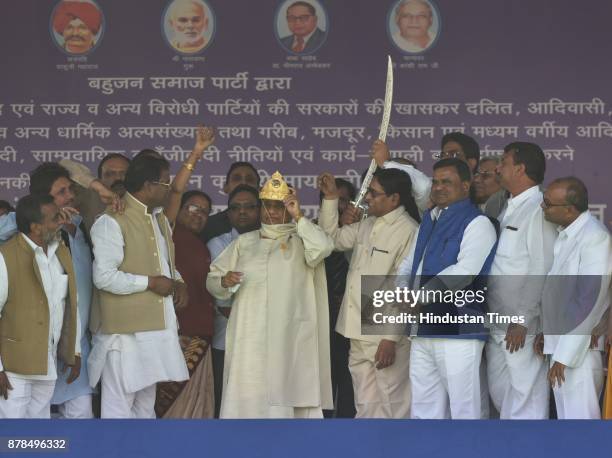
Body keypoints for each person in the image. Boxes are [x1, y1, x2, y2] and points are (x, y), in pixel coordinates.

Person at [206, 171, 333, 418]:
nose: (272, 212)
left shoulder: (302, 240)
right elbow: (212, 280)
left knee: (285, 397)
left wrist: (298, 217)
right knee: (248, 394)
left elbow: (325, 247)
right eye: (268, 206)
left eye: (279, 206)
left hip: (288, 335)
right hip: (249, 336)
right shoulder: (244, 242)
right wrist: (224, 280)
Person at [88, 155, 189, 418]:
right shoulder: (111, 220)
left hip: (155, 331)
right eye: (165, 183)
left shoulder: (158, 219)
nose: (169, 189)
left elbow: (165, 264)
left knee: (145, 409)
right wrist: (151, 283)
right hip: (125, 336)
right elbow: (104, 277)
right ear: (148, 185)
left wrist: (179, 283)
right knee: (118, 410)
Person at [397, 159, 497, 419]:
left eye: (447, 182)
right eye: (436, 182)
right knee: (424, 410)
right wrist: (401, 292)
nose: (439, 187)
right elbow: (409, 264)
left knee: (464, 411)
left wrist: (419, 296)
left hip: (458, 330)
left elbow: (464, 273)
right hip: (422, 328)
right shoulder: (429, 220)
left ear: (466, 185)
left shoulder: (478, 223)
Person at [318, 169, 420, 418]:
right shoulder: (368, 223)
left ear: (394, 199)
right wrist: (331, 198)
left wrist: (390, 339)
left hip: (383, 334)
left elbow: (404, 290)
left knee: (393, 405)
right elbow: (331, 240)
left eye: (373, 193)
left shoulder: (409, 230)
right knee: (365, 406)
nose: (367, 198)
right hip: (355, 328)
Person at [486, 142, 557, 419]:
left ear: (520, 168)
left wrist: (523, 318)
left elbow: (542, 267)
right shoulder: (506, 207)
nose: (497, 167)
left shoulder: (539, 210)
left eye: (503, 162)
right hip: (495, 320)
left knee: (526, 397)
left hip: (520, 326)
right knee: (501, 393)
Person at [537, 177, 611, 419]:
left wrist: (564, 356)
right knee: (568, 427)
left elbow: (588, 302)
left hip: (578, 352)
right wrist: (547, 333)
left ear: (569, 210)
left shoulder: (594, 237)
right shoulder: (568, 233)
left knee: (581, 424)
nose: (542, 207)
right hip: (562, 348)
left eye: (547, 203)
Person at [0, 194, 80, 418]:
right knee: (12, 440)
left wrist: (74, 351)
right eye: (55, 218)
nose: (61, 221)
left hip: (48, 362)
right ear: (36, 227)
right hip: (13, 369)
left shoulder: (60, 252)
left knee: (38, 435)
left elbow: (71, 303)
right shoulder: (5, 257)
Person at [26, 163, 95, 419]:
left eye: (70, 189)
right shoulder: (25, 230)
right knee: (36, 424)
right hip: (40, 346)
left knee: (81, 417)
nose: (70, 196)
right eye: (61, 192)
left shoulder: (80, 224)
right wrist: (41, 217)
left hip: (77, 346)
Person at [155, 190, 216, 418]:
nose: (199, 215)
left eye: (205, 212)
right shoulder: (164, 239)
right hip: (177, 338)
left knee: (196, 412)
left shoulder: (201, 246)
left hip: (200, 337)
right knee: (174, 412)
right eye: (193, 208)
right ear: (178, 208)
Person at [208, 184, 261, 417]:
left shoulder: (276, 243)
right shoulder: (218, 243)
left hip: (262, 339)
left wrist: (387, 338)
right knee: (230, 402)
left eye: (249, 207)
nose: (242, 212)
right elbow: (214, 284)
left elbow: (323, 245)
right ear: (227, 213)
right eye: (236, 208)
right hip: (227, 337)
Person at [318, 178, 357, 418]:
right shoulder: (312, 230)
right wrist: (337, 228)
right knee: (323, 379)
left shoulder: (364, 229)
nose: (340, 206)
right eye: (334, 199)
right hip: (322, 315)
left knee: (351, 381)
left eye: (344, 200)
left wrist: (349, 230)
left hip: (352, 316)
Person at [372, 132, 481, 213]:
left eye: (453, 154)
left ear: (471, 163)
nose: (446, 159)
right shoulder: (432, 211)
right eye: (443, 155)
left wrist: (386, 163)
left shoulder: (481, 209)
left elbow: (424, 187)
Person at [60, 153, 130, 231]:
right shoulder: (89, 195)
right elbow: (63, 165)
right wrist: (99, 187)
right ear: (100, 179)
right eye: (110, 174)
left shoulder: (140, 199)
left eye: (124, 173)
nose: (118, 178)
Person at [200, 162, 260, 243]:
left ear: (260, 189)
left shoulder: (272, 223)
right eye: (237, 179)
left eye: (249, 180)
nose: (243, 183)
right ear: (226, 188)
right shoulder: (209, 226)